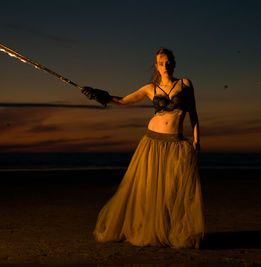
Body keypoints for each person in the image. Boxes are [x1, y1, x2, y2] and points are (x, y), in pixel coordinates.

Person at [81, 48, 205, 249]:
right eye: (161, 63)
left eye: (168, 62)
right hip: (151, 142)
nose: (165, 66)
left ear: (173, 64)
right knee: (149, 189)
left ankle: (168, 231)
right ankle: (151, 230)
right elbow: (122, 100)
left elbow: (194, 114)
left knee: (171, 190)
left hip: (176, 143)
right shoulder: (150, 88)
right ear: (156, 66)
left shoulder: (185, 84)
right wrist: (98, 95)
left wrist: (197, 139)